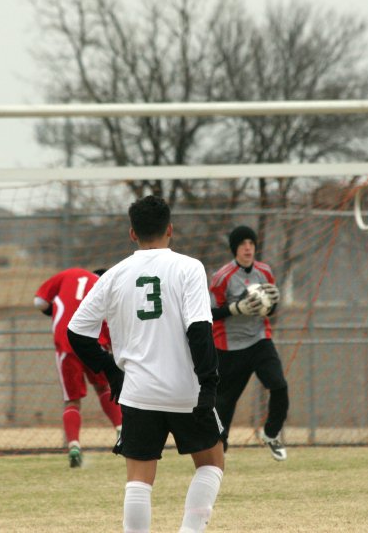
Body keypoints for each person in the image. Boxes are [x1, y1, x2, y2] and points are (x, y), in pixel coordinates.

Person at [67, 195, 224, 533]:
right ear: (170, 229)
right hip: (186, 391)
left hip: (138, 393)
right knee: (211, 463)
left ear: (132, 233)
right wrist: (208, 384)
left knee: (139, 480)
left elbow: (77, 332)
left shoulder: (112, 276)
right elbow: (199, 330)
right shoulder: (189, 267)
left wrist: (111, 371)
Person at [208, 225, 287, 461]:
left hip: (260, 340)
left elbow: (271, 311)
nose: (248, 247)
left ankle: (271, 434)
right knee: (224, 401)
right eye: (243, 244)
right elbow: (210, 312)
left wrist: (273, 304)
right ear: (235, 249)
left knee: (279, 386)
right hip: (231, 346)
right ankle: (219, 445)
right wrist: (235, 308)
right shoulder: (222, 277)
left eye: (251, 243)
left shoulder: (265, 272)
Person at [33, 267, 122, 467]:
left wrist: (51, 310)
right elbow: (108, 325)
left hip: (66, 344)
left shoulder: (68, 274)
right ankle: (121, 429)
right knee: (104, 388)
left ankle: (74, 446)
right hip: (93, 344)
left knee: (72, 401)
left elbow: (38, 301)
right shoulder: (102, 285)